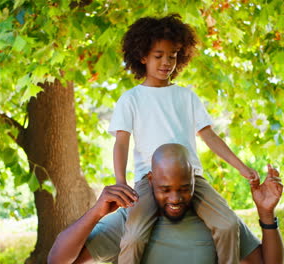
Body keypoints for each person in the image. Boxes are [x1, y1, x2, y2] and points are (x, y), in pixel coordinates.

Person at [109, 14, 259, 264]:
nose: (166, 62)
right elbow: (121, 142)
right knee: (133, 236)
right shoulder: (131, 99)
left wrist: (242, 168)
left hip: (192, 179)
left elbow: (209, 136)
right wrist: (121, 182)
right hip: (149, 180)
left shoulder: (187, 97)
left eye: (173, 55)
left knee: (228, 224)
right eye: (159, 56)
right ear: (143, 56)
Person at [47, 143, 284, 264]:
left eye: (184, 188)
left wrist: (266, 214)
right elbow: (58, 260)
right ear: (150, 181)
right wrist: (95, 214)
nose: (175, 199)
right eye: (165, 189)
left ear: (195, 180)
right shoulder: (129, 222)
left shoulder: (219, 222)